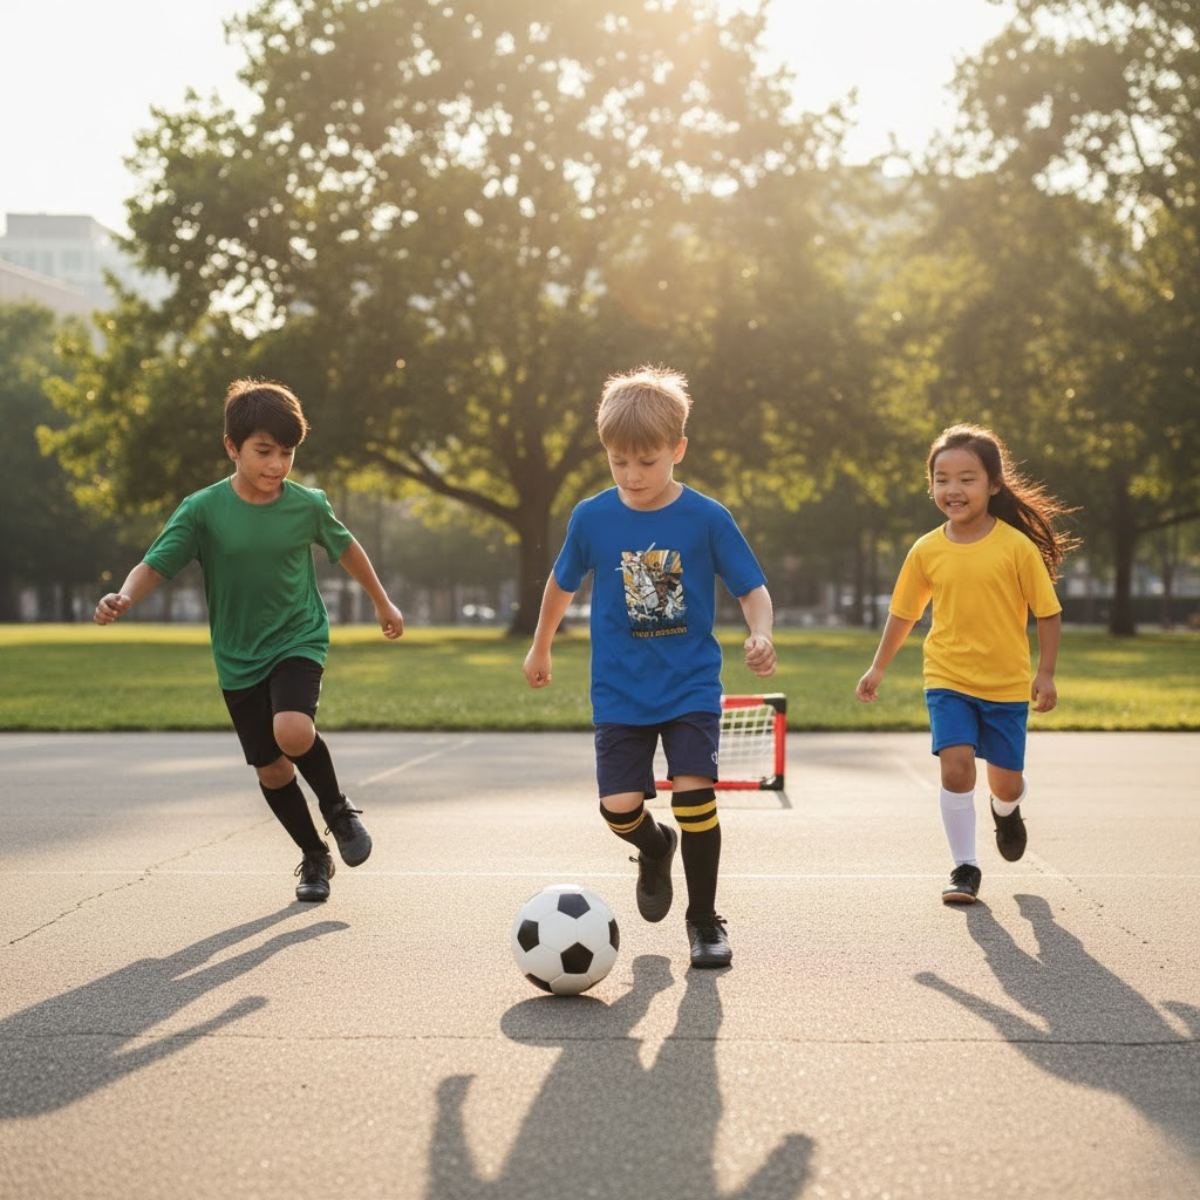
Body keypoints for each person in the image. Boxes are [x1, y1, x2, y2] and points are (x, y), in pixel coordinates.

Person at [94, 379, 404, 903]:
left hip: (298, 636)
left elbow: (346, 548)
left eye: (287, 453)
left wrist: (381, 600)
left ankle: (337, 810)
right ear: (232, 447)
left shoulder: (307, 505)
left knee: (292, 730)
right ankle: (314, 855)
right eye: (264, 452)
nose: (276, 465)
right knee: (272, 767)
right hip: (238, 656)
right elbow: (155, 564)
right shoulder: (202, 510)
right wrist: (123, 596)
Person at [523, 365, 777, 969]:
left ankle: (704, 921)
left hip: (689, 684)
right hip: (619, 689)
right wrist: (541, 646)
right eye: (618, 462)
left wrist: (761, 632)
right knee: (617, 808)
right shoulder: (591, 517)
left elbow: (752, 588)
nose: (632, 476)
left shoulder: (708, 518)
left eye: (647, 461)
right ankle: (653, 846)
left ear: (678, 451)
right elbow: (560, 587)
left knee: (695, 799)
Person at [855, 423, 1078, 904]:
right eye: (942, 478)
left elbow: (1048, 613)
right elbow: (904, 613)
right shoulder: (926, 549)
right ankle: (964, 867)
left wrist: (1046, 673)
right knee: (956, 769)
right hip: (947, 677)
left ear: (994, 484)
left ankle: (1006, 810)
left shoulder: (1016, 548)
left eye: (967, 478)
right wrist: (878, 668)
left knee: (1006, 779)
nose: (952, 489)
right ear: (931, 484)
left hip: (1004, 683)